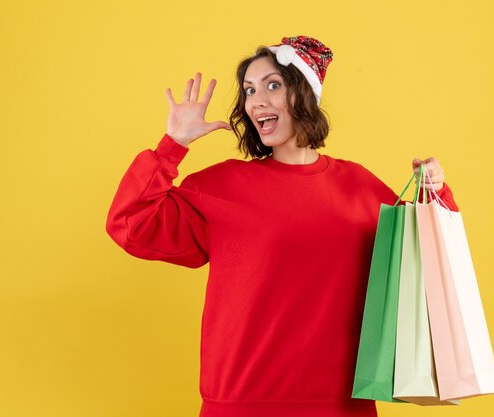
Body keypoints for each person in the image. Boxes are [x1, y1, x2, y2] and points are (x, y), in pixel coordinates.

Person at [106, 36, 459, 417]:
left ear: (304, 94)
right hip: (241, 403)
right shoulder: (219, 187)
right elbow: (131, 224)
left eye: (272, 85)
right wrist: (172, 145)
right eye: (249, 90)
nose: (256, 100)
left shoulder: (360, 187)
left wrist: (434, 191)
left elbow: (432, 255)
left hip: (340, 405)